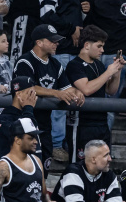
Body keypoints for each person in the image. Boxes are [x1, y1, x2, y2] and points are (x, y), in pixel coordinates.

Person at [12, 24, 83, 164]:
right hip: (24, 123)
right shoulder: (25, 61)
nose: (57, 43)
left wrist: (77, 92)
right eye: (52, 41)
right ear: (39, 42)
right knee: (26, 167)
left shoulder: (55, 64)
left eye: (57, 40)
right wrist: (56, 93)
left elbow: (66, 89)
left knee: (45, 166)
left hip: (44, 124)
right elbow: (27, 88)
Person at [66, 26, 126, 160]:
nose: (102, 50)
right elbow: (86, 89)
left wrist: (117, 72)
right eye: (99, 46)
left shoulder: (98, 64)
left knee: (102, 163)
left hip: (101, 122)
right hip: (81, 124)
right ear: (87, 45)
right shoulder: (75, 65)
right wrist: (109, 72)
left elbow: (110, 90)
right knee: (80, 165)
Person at [0, 118, 55, 202]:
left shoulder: (37, 161)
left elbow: (44, 194)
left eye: (36, 137)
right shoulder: (4, 166)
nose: (36, 141)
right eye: (31, 138)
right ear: (17, 140)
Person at [54, 140, 122, 202]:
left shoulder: (109, 175)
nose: (110, 159)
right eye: (106, 155)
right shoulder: (73, 173)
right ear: (93, 159)